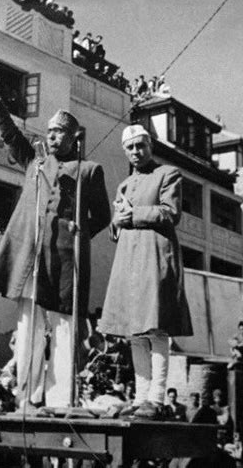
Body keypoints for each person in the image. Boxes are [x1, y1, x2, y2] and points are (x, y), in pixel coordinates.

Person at [0, 69, 111, 410]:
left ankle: (60, 398)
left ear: (74, 138)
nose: (54, 138)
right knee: (28, 331)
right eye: (51, 132)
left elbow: (103, 217)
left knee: (66, 330)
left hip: (67, 263)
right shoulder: (35, 162)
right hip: (33, 259)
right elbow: (9, 133)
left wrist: (80, 234)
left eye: (61, 134)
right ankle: (26, 395)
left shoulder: (89, 170)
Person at [99, 124, 192, 419]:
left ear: (150, 146)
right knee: (135, 334)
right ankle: (140, 398)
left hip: (155, 256)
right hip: (129, 260)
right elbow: (116, 226)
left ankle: (158, 397)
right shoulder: (124, 185)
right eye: (130, 148)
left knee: (156, 329)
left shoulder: (167, 174)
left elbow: (170, 213)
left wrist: (133, 215)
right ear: (125, 152)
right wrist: (117, 220)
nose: (136, 152)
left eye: (141, 146)